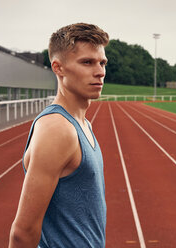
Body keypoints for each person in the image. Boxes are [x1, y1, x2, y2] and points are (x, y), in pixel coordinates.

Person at [9, 23, 109, 248]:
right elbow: (22, 233)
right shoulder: (58, 129)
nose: (100, 71)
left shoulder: (82, 124)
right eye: (87, 62)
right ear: (58, 68)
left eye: (102, 62)